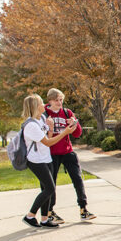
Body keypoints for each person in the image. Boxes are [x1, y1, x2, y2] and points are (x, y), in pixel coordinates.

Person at [20, 94, 77, 228]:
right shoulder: (30, 125)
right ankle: (30, 216)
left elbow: (47, 138)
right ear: (35, 106)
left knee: (47, 188)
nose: (43, 105)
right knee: (50, 188)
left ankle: (44, 219)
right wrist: (65, 132)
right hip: (35, 160)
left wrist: (51, 128)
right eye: (41, 103)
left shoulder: (42, 119)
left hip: (45, 158)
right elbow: (47, 142)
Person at [44, 88, 95, 223]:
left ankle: (83, 209)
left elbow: (77, 134)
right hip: (51, 153)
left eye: (61, 100)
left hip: (67, 151)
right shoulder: (44, 113)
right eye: (56, 100)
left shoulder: (67, 113)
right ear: (50, 101)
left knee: (78, 179)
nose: (59, 103)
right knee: (51, 183)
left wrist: (74, 123)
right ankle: (50, 211)